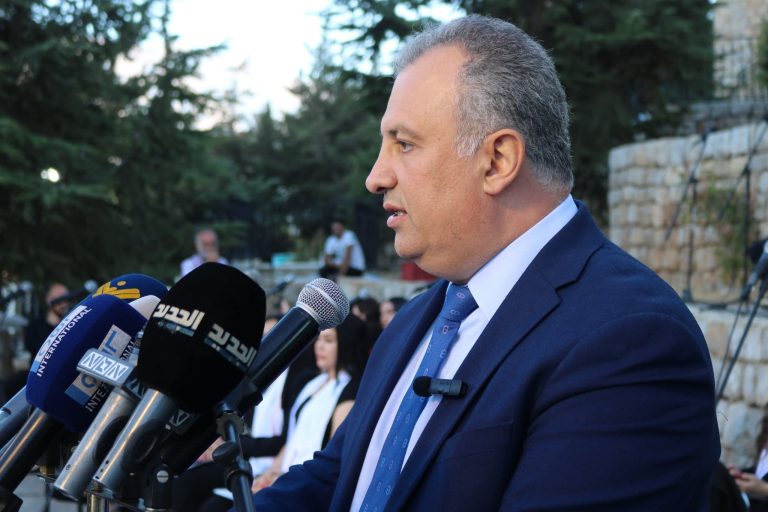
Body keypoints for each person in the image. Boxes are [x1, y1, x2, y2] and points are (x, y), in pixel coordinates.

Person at [252, 15, 719, 511]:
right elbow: (341, 480)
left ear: (497, 161)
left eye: (404, 144)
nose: (376, 177)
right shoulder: (415, 320)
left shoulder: (631, 340)